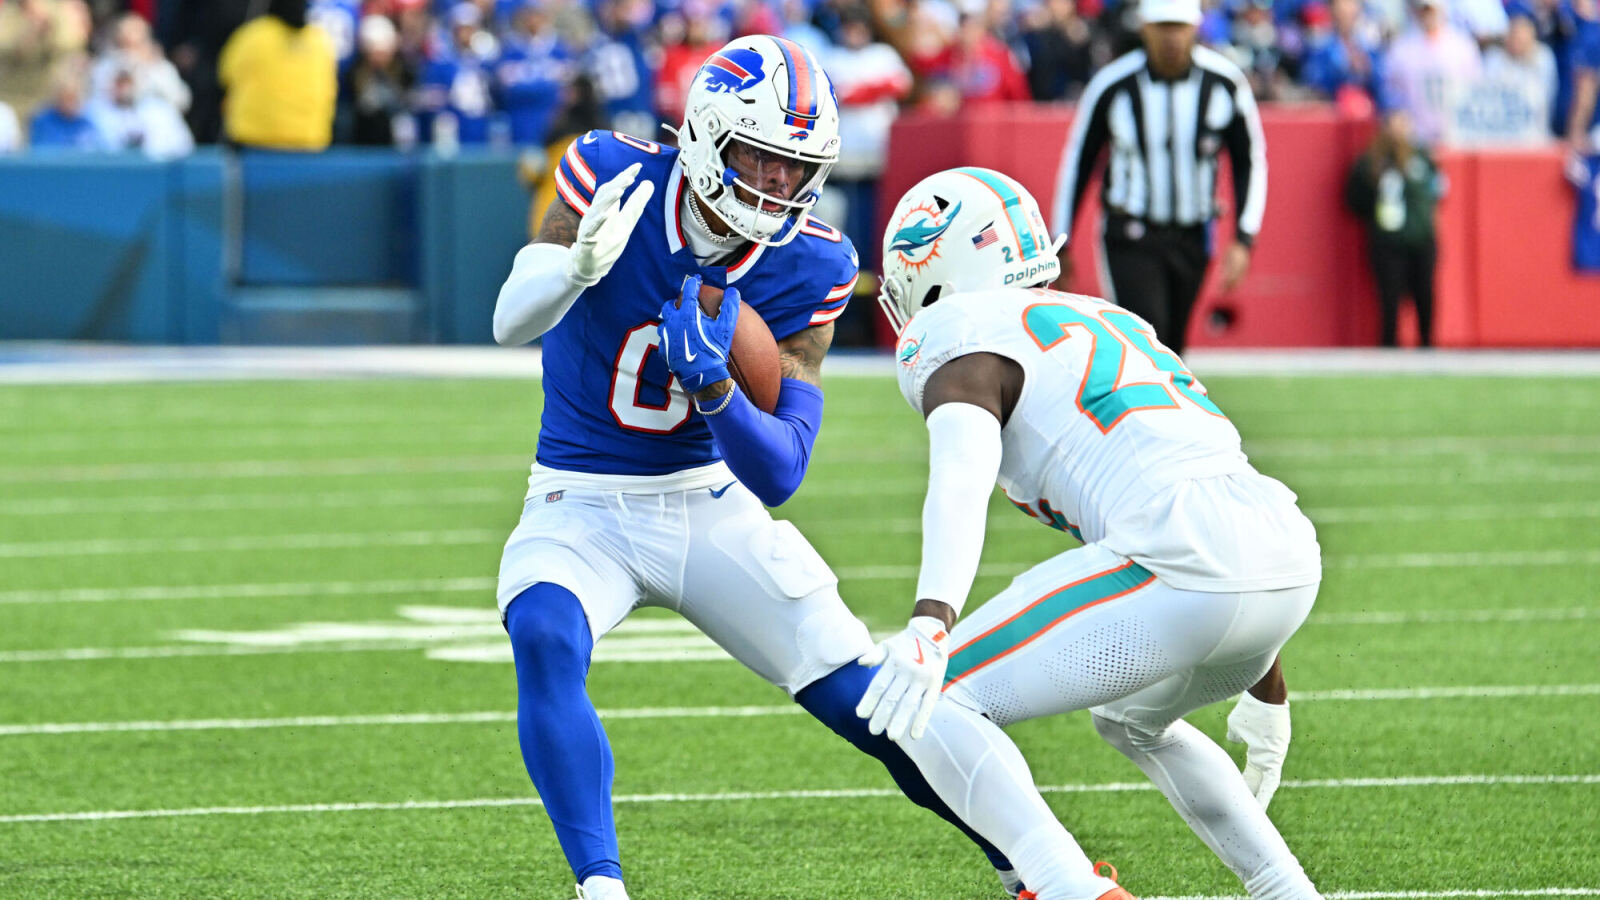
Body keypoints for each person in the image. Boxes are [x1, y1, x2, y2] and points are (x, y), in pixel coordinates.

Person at [490, 35, 1076, 900]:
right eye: (759, 158)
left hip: (708, 502)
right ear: (706, 137)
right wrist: (572, 272)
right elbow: (509, 320)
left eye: (795, 166)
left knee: (872, 704)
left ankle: (1034, 868)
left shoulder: (813, 262)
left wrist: (718, 393)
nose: (777, 184)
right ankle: (600, 888)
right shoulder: (611, 174)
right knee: (543, 632)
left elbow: (781, 471)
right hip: (579, 498)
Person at [861, 165, 1323, 900]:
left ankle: (1069, 889)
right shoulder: (1108, 319)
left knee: (931, 698)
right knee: (1131, 721)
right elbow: (1204, 496)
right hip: (1282, 557)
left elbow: (961, 475)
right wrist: (1265, 675)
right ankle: (1287, 890)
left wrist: (930, 620)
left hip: (1185, 561)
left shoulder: (958, 332)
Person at [1051, 0, 1267, 357]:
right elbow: (1079, 162)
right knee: (1147, 342)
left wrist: (1244, 236)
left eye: (1178, 27)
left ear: (1195, 28)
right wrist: (1062, 240)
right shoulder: (1113, 85)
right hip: (1130, 233)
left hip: (1193, 234)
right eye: (1162, 26)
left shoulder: (1224, 83)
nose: (1171, 37)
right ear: (1144, 28)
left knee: (1173, 347)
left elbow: (1249, 160)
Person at [1345, 110, 1443, 346]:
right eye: (1396, 124)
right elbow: (1354, 199)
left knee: (1424, 294)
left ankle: (1427, 344)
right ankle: (1389, 345)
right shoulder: (1371, 161)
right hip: (1388, 241)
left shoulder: (1421, 157)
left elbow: (1437, 189)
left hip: (1421, 238)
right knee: (1389, 296)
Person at [217, 0, 338, 150]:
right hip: (310, 141)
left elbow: (225, 76)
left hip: (255, 140)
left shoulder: (254, 35)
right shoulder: (320, 40)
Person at [1378, 0, 1480, 147]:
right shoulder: (1401, 48)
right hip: (1415, 136)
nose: (1427, 15)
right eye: (1423, 10)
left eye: (1431, 10)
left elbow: (1475, 89)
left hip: (1455, 136)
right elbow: (1390, 92)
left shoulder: (1463, 47)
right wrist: (1398, 115)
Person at [86, 65, 194, 158]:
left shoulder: (159, 110)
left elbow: (183, 146)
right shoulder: (97, 112)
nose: (124, 88)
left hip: (155, 170)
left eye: (128, 82)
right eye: (120, 83)